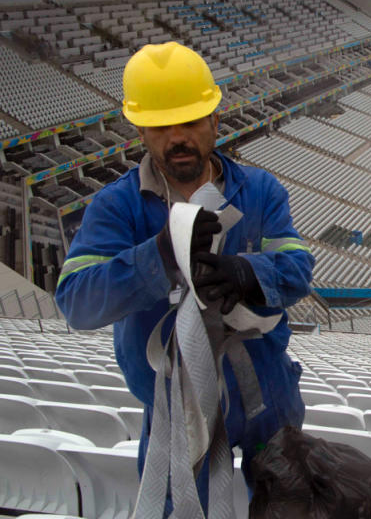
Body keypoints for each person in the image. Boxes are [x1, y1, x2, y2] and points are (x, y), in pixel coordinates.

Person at [55, 42, 315, 509]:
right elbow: (76, 300)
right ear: (140, 130)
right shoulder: (116, 207)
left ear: (215, 120)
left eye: (191, 122)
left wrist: (246, 273)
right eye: (160, 127)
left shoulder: (260, 191)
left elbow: (297, 270)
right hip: (175, 407)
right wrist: (158, 257)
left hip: (266, 397)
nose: (177, 137)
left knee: (291, 508)